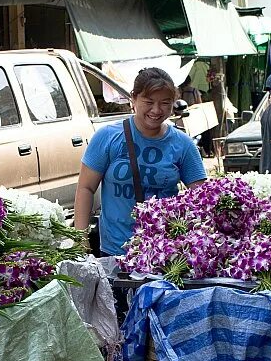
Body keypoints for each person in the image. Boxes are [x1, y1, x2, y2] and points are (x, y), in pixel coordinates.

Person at [74, 67, 206, 258]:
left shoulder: (183, 145)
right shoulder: (108, 137)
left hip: (165, 252)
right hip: (116, 250)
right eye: (149, 102)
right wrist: (81, 237)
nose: (156, 110)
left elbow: (203, 198)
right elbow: (86, 188)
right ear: (134, 99)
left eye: (165, 103)